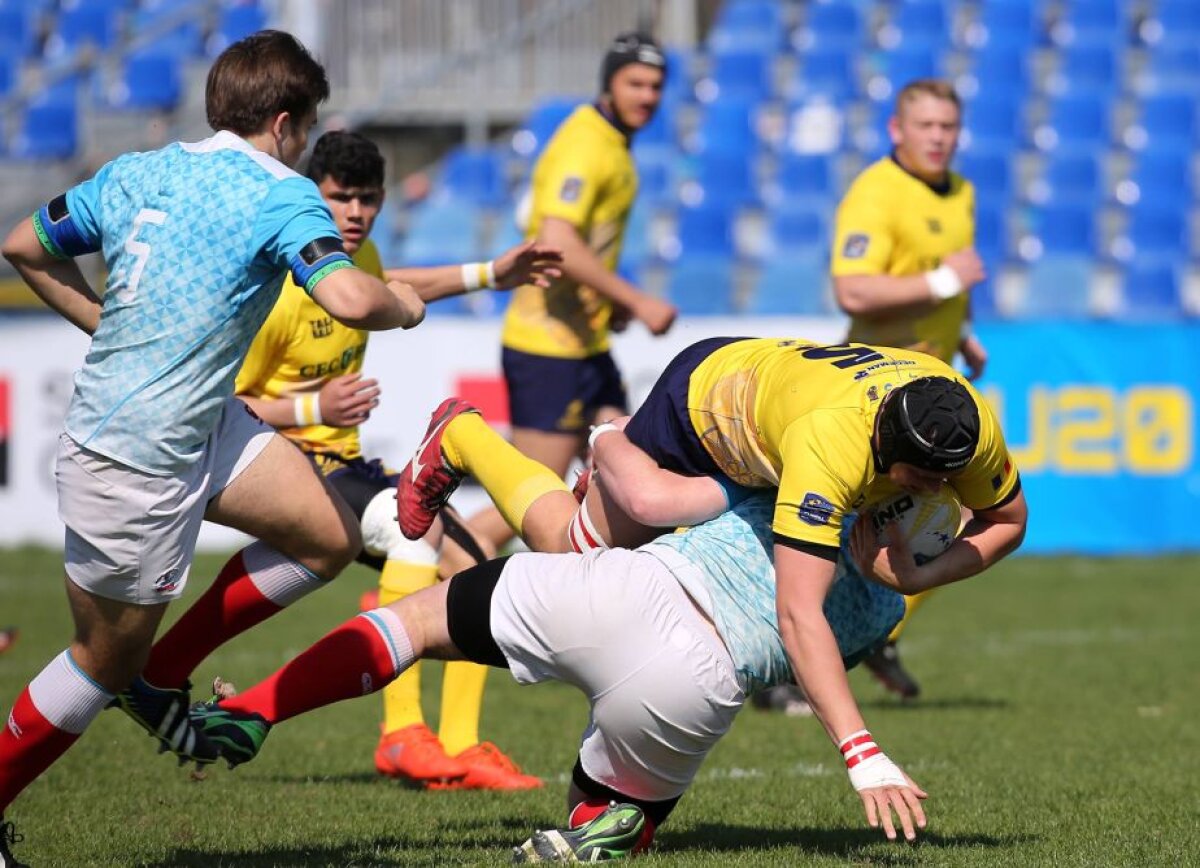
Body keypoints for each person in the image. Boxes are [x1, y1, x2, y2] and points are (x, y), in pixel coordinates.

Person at [0, 31, 428, 865]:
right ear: (282, 122)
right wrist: (404, 306)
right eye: (306, 129)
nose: (305, 145)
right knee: (100, 663)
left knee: (326, 536)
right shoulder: (282, 191)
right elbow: (345, 294)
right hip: (133, 458)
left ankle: (164, 674)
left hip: (201, 421)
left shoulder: (138, 171)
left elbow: (23, 246)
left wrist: (110, 327)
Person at [396, 337, 1028, 820]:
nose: (941, 492)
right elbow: (797, 614)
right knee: (581, 547)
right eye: (924, 480)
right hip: (705, 405)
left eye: (948, 478)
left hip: (772, 427)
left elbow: (1009, 520)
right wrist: (863, 756)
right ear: (887, 451)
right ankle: (486, 437)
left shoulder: (965, 427)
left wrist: (922, 576)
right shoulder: (833, 443)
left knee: (634, 537)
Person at [189, 492, 929, 860]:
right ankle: (587, 838)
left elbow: (652, 495)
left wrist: (607, 444)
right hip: (695, 685)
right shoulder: (882, 609)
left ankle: (253, 712)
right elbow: (818, 647)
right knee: (610, 809)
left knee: (413, 623)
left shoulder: (795, 481)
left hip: (627, 590)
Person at [234, 129, 559, 789]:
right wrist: (310, 409)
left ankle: (461, 746)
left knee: (470, 565)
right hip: (285, 468)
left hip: (340, 468)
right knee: (422, 533)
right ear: (312, 197)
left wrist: (489, 274)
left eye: (367, 199)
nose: (354, 213)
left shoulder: (360, 259)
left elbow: (394, 284)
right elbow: (222, 408)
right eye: (339, 198)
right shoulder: (281, 289)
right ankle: (402, 735)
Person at [464, 31, 679, 554]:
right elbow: (556, 240)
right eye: (635, 83)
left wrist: (606, 306)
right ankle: (424, 578)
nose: (647, 96)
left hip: (584, 343)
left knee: (626, 471)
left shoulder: (611, 143)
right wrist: (634, 299)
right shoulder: (586, 143)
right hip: (547, 347)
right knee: (536, 493)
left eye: (655, 85)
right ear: (610, 83)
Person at [828, 79, 988, 699]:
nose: (939, 138)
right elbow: (855, 291)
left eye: (948, 126)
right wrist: (945, 282)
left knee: (958, 514)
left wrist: (961, 329)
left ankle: (875, 631)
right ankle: (843, 639)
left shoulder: (962, 192)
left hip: (932, 384)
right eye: (926, 126)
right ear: (898, 130)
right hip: (877, 390)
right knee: (959, 513)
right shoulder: (875, 193)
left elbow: (942, 283)